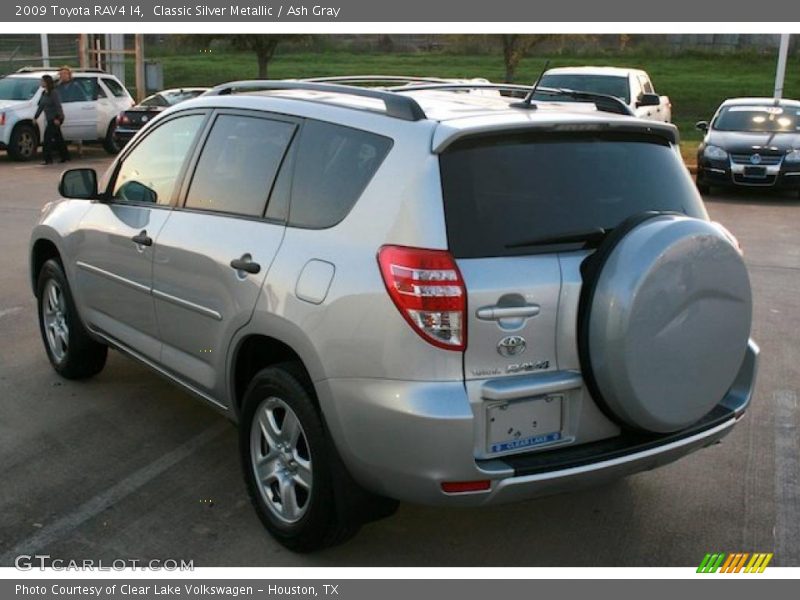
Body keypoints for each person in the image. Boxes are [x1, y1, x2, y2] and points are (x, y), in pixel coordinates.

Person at [34, 74, 70, 164]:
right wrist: (35, 117)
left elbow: (58, 106)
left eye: (42, 81)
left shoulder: (53, 93)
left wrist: (58, 118)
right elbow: (41, 106)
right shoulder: (44, 93)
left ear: (47, 82)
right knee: (59, 139)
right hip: (49, 118)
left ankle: (48, 159)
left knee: (47, 139)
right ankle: (65, 156)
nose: (41, 83)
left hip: (55, 119)